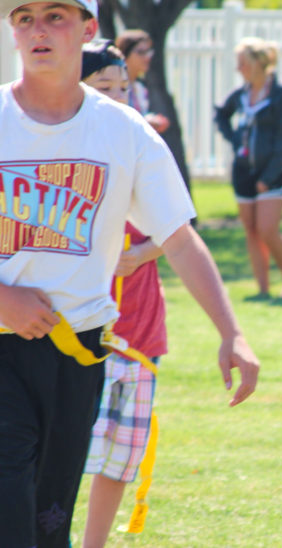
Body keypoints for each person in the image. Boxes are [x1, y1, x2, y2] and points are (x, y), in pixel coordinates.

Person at [0, 1, 260, 546]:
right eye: (24, 18)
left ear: (89, 28)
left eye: (55, 16)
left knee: (50, 523)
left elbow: (179, 238)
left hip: (78, 352)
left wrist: (231, 332)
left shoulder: (124, 132)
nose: (38, 30)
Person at [78, 39, 166, 548]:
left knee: (120, 455)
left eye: (124, 88)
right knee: (62, 453)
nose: (117, 97)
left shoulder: (143, 145)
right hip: (79, 333)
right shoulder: (60, 148)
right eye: (103, 87)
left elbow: (177, 226)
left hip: (139, 329)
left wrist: (143, 253)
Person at [214, 37, 282, 299]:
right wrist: (235, 139)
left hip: (272, 175)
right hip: (243, 172)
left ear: (258, 64)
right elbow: (221, 115)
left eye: (242, 63)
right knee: (251, 229)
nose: (239, 69)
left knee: (267, 229)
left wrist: (269, 175)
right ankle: (263, 288)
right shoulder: (241, 95)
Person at [114, 28, 169, 134]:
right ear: (124, 54)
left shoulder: (139, 88)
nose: (147, 57)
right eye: (141, 52)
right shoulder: (114, 87)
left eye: (148, 52)